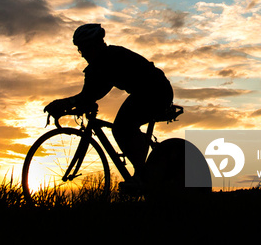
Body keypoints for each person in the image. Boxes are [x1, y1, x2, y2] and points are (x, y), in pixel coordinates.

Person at [44, 23, 174, 194]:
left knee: (122, 127)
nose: (83, 54)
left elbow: (89, 95)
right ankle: (144, 169)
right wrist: (68, 107)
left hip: (156, 90)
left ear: (98, 44)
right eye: (80, 49)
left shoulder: (112, 58)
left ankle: (142, 176)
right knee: (124, 126)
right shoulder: (96, 67)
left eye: (86, 48)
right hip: (143, 92)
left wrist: (64, 105)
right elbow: (89, 95)